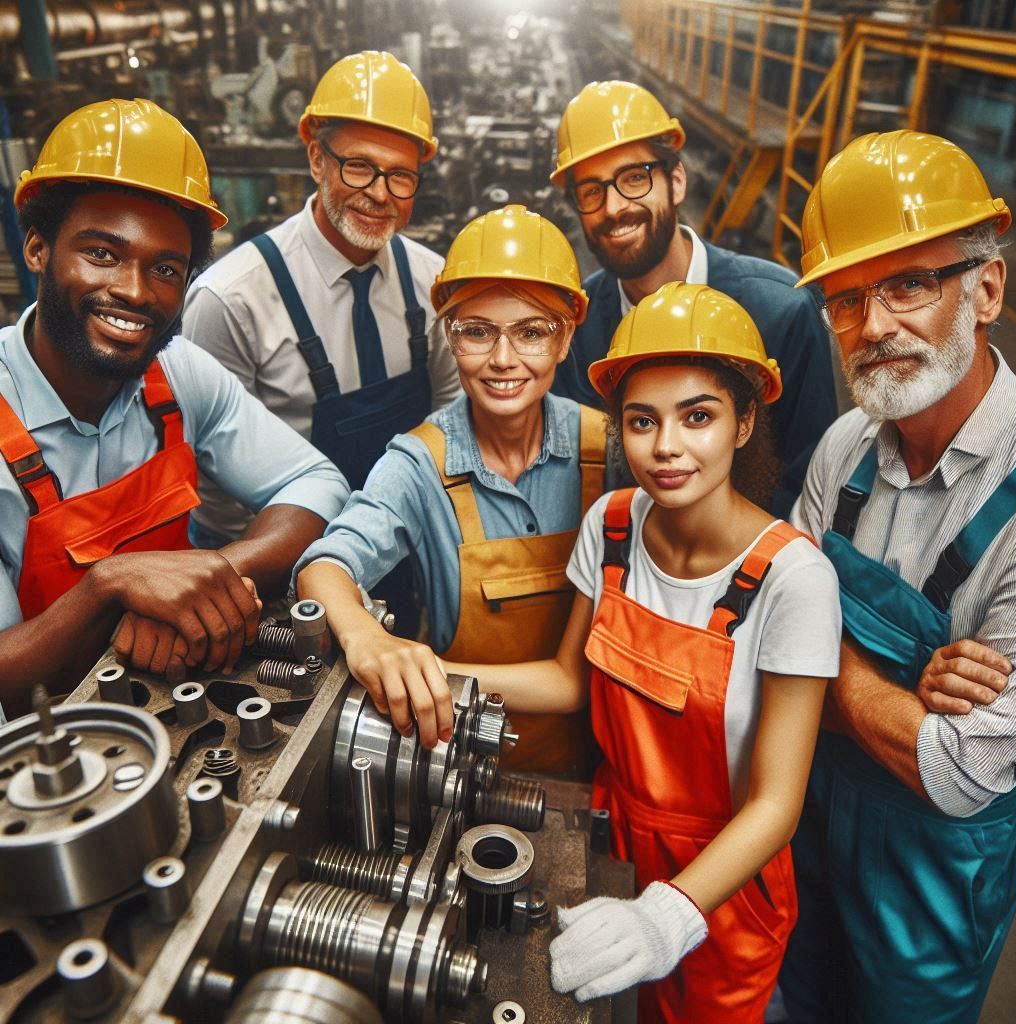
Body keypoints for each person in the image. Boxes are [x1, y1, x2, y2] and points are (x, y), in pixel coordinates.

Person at [337, 281, 843, 1020]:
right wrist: (417, 668)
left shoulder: (794, 578)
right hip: (604, 838)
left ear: (744, 422)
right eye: (642, 421)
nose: (666, 447)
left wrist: (668, 915)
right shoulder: (613, 525)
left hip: (723, 882)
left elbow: (776, 804)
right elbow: (568, 680)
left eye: (698, 417)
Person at [777, 131, 1016, 1024]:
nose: (874, 325)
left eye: (909, 284)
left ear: (985, 289)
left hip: (934, 884)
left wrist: (817, 660)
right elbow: (760, 620)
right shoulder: (844, 448)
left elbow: (959, 769)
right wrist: (905, 691)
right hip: (809, 826)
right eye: (846, 299)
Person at [0, 98, 348, 720]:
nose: (135, 291)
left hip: (169, 701)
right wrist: (111, 587)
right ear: (37, 249)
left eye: (165, 268)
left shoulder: (177, 374)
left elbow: (317, 483)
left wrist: (201, 582)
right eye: (102, 254)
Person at [295, 205, 605, 775]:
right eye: (477, 332)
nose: (503, 360)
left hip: (595, 758)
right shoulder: (420, 463)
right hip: (458, 757)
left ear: (565, 340)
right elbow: (324, 566)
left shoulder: (609, 449)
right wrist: (367, 638)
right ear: (450, 338)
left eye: (532, 332)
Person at [183, 50, 460, 636]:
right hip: (280, 580)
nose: (380, 193)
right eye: (358, 167)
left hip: (406, 555)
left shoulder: (434, 284)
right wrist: (258, 593)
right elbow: (215, 489)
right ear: (316, 158)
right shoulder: (231, 299)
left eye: (401, 176)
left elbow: (452, 429)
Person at [549, 80, 837, 515]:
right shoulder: (578, 326)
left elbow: (810, 480)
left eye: (634, 178)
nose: (613, 208)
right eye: (591, 191)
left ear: (677, 181)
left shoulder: (779, 312)